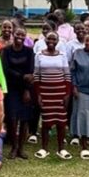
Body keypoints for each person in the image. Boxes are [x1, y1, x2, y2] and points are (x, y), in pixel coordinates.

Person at [33, 31, 71, 160]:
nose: (51, 41)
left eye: (54, 39)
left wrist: (67, 94)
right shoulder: (39, 55)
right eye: (49, 38)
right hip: (45, 92)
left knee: (61, 122)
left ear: (58, 41)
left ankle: (61, 148)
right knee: (46, 122)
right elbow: (36, 76)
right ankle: (44, 148)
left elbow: (67, 76)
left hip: (60, 92)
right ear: (45, 40)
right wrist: (38, 94)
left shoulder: (62, 55)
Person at [0, 27, 34, 159]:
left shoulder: (29, 52)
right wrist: (21, 77)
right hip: (11, 88)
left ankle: (21, 148)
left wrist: (26, 89)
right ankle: (13, 147)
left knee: (24, 119)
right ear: (13, 35)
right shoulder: (6, 51)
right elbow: (6, 70)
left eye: (23, 34)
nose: (20, 36)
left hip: (25, 88)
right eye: (17, 34)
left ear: (25, 36)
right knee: (12, 118)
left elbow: (30, 71)